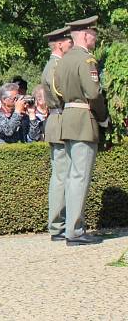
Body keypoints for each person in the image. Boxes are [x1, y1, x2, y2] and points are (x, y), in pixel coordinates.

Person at [53, 16, 108, 245]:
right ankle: (75, 231)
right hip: (84, 118)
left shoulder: (63, 60)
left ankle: (69, 227)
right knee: (80, 176)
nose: (95, 38)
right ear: (86, 35)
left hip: (68, 118)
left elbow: (58, 91)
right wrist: (104, 118)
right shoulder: (86, 61)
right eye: (93, 34)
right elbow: (93, 94)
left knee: (70, 175)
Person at [43, 26, 73, 239]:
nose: (72, 46)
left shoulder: (55, 65)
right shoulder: (55, 67)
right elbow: (61, 93)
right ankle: (57, 226)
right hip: (60, 119)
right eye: (70, 43)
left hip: (59, 120)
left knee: (62, 175)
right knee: (62, 176)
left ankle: (59, 225)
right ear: (60, 44)